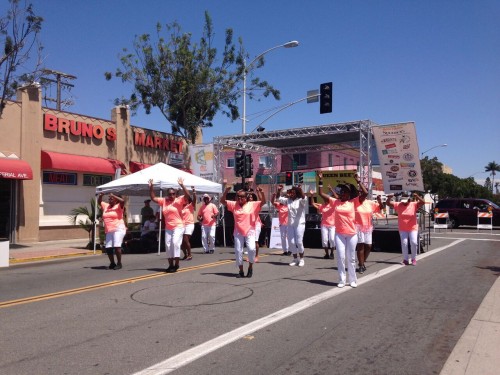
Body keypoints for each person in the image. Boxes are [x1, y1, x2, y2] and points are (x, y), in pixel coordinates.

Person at [317, 171, 366, 288]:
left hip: (352, 234)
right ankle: (342, 280)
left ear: (349, 194)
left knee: (351, 258)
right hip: (339, 234)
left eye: (346, 192)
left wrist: (358, 181)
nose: (343, 193)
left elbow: (365, 192)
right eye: (342, 191)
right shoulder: (335, 202)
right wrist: (320, 180)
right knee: (341, 257)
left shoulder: (354, 202)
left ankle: (353, 280)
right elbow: (321, 193)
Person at [220, 181, 266, 278]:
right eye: (238, 196)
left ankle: (250, 267)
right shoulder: (234, 204)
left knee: (251, 249)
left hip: (250, 230)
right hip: (238, 231)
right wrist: (225, 192)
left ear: (246, 198)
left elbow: (263, 202)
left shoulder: (252, 204)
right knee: (238, 250)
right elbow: (222, 201)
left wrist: (261, 193)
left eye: (242, 197)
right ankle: (241, 270)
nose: (239, 198)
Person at [149, 177, 192, 273]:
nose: (171, 195)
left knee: (175, 243)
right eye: (170, 194)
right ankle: (170, 265)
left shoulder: (179, 200)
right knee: (168, 245)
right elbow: (153, 198)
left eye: (173, 194)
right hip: (168, 227)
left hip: (178, 226)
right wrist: (151, 187)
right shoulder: (164, 201)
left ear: (176, 194)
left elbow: (188, 196)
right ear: (167, 195)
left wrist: (182, 185)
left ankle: (176, 264)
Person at [272, 184, 307, 267]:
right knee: (291, 242)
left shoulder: (301, 200)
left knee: (299, 242)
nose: (291, 194)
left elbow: (303, 197)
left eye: (293, 192)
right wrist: (279, 190)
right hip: (290, 224)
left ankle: (301, 259)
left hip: (299, 224)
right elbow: (278, 198)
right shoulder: (288, 201)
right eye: (290, 192)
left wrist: (299, 189)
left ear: (296, 193)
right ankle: (295, 259)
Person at [386, 192, 425, 266]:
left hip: (412, 227)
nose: (404, 203)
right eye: (402, 202)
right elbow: (388, 203)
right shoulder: (398, 205)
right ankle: (405, 259)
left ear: (409, 200)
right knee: (404, 243)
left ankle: (413, 258)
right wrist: (389, 197)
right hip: (403, 228)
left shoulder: (413, 204)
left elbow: (423, 202)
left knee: (414, 242)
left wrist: (417, 196)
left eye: (405, 202)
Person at [355, 192, 384, 274]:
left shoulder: (370, 203)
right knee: (361, 246)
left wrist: (379, 201)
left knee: (368, 246)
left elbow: (381, 207)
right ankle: (361, 265)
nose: (362, 195)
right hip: (358, 226)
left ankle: (362, 261)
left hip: (368, 227)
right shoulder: (355, 202)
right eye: (360, 193)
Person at [97, 192, 126, 270]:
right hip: (109, 230)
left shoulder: (119, 206)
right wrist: (100, 196)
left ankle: (119, 263)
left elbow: (123, 201)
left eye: (111, 198)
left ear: (116, 200)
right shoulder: (106, 206)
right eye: (109, 198)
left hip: (118, 228)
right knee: (108, 247)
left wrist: (114, 195)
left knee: (117, 246)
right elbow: (99, 202)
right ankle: (112, 263)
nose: (110, 199)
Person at [308, 188, 336, 259]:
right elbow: (313, 204)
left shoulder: (333, 205)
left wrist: (331, 190)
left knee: (332, 239)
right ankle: (326, 254)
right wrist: (312, 195)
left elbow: (336, 198)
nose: (325, 199)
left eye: (326, 198)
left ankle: (332, 253)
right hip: (324, 225)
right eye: (324, 199)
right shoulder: (322, 206)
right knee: (324, 240)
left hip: (332, 225)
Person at [271, 191, 289, 256]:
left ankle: (290, 250)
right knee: (283, 237)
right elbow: (272, 202)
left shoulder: (289, 205)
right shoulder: (279, 205)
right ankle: (285, 251)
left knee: (289, 237)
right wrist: (273, 196)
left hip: (289, 224)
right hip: (282, 224)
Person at [181, 186, 196, 260]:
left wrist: (194, 192)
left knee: (185, 239)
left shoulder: (190, 206)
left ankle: (190, 254)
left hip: (189, 225)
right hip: (182, 225)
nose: (185, 200)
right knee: (181, 242)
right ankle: (185, 254)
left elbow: (194, 200)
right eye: (184, 199)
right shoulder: (180, 207)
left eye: (186, 199)